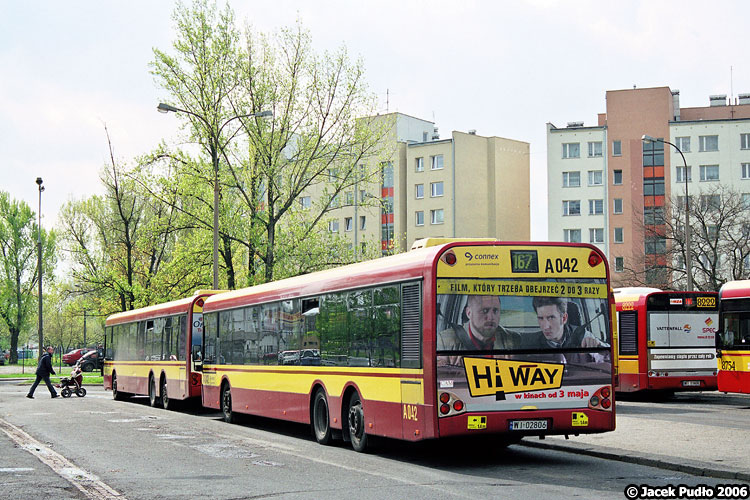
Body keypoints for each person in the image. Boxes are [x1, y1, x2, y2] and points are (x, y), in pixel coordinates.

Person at [438, 295, 520, 365]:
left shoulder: (511, 339)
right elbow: (438, 375)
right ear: (469, 313)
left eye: (495, 311)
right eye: (485, 311)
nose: (491, 317)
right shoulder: (445, 340)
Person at [522, 296, 607, 349]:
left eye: (551, 318)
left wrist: (597, 345)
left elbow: (609, 352)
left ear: (564, 318)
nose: (545, 327)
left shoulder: (581, 335)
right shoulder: (531, 344)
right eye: (541, 318)